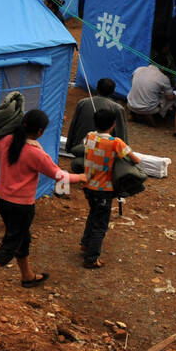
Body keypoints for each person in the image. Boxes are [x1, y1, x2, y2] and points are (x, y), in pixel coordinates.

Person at [0, 109, 85, 291]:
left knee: (22, 238)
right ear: (40, 132)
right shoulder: (36, 154)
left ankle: (28, 276)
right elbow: (59, 175)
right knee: (11, 244)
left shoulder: (6, 141)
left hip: (2, 200)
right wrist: (82, 177)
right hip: (22, 206)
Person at [78, 108, 134, 269]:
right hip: (104, 189)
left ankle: (85, 244)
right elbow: (134, 159)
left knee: (93, 214)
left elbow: (86, 147)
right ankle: (92, 258)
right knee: (100, 224)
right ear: (113, 124)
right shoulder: (115, 142)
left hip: (88, 186)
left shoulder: (89, 136)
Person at [65, 78, 128, 149]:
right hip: (103, 151)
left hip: (81, 147)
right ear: (113, 92)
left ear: (97, 88)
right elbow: (121, 133)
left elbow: (73, 126)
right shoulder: (117, 108)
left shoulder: (82, 103)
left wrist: (69, 145)